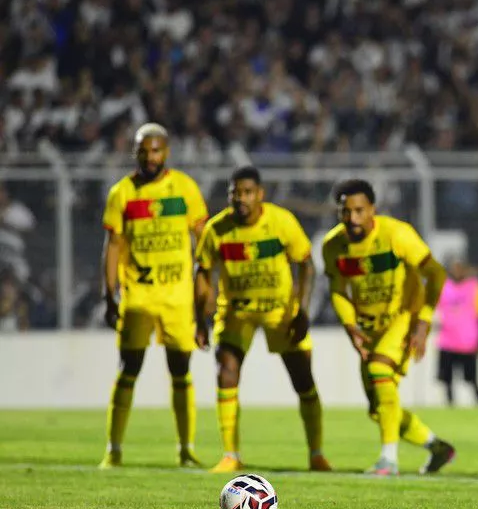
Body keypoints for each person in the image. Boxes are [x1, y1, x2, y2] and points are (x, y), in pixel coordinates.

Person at [194, 166, 331, 473]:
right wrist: (199, 320)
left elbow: (307, 264)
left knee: (303, 379)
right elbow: (202, 272)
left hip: (279, 312)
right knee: (225, 374)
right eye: (235, 193)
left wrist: (303, 310)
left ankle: (317, 454)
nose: (240, 199)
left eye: (246, 193)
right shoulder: (217, 229)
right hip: (236, 312)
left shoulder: (281, 221)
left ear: (260, 194)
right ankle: (230, 454)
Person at [323, 179, 456, 476]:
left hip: (402, 320)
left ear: (373, 209)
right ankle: (437, 447)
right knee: (378, 408)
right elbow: (337, 289)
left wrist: (422, 324)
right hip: (367, 328)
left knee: (380, 372)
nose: (353, 218)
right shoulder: (333, 245)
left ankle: (388, 460)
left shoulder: (397, 234)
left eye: (359, 211)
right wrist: (348, 325)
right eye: (346, 212)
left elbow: (435, 274)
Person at [99, 123, 207, 469]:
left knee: (181, 370)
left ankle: (186, 448)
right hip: (139, 297)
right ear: (135, 153)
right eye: (143, 151)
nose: (150, 157)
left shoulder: (185, 188)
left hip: (178, 297)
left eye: (156, 150)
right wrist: (109, 294)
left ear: (167, 152)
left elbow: (203, 240)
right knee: (128, 368)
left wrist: (203, 291)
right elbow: (113, 245)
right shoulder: (123, 193)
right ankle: (114, 449)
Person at [435, 258, 478, 406]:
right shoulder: (444, 287)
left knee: (472, 379)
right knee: (446, 379)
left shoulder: (476, 287)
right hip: (447, 341)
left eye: (460, 268)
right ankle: (450, 405)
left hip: (468, 341)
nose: (457, 271)